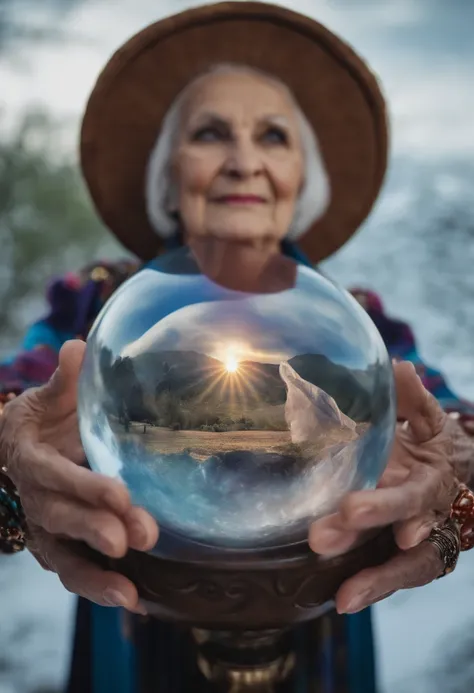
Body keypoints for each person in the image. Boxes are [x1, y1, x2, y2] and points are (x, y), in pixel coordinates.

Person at [0, 3, 473, 693]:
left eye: (273, 136)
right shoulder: (94, 303)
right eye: (211, 133)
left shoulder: (359, 320)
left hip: (320, 620)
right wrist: (10, 463)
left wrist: (459, 483)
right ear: (168, 175)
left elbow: (450, 420)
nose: (244, 161)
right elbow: (20, 397)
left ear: (301, 180)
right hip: (136, 628)